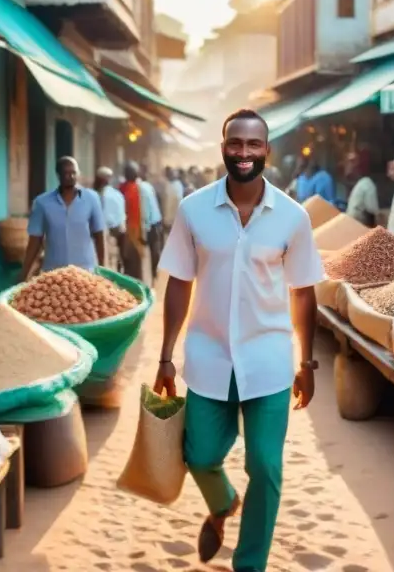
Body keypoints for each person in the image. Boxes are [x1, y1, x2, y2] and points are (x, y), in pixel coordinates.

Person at [155, 109, 324, 572]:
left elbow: (303, 291)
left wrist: (306, 364)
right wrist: (166, 357)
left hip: (268, 360)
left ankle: (249, 565)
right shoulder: (193, 210)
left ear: (267, 151)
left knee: (266, 469)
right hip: (208, 356)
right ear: (223, 147)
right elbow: (179, 283)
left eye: (254, 145)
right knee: (201, 454)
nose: (244, 153)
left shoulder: (292, 217)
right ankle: (224, 500)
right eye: (236, 144)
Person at [20, 157, 105, 281]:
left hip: (85, 273)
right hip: (53, 274)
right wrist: (24, 273)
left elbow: (99, 235)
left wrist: (103, 269)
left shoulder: (92, 199)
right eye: (65, 173)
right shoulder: (42, 203)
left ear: (78, 173)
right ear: (58, 175)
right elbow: (34, 240)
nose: (70, 176)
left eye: (73, 173)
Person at [95, 167, 127, 271]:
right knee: (118, 259)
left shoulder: (101, 195)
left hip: (108, 231)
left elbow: (101, 218)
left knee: (108, 261)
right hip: (121, 230)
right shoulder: (118, 194)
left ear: (100, 179)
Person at [119, 162, 146, 280]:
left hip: (133, 230)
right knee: (132, 264)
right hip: (130, 231)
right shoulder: (129, 188)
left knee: (133, 264)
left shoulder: (136, 188)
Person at [138, 164, 164, 282]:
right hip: (157, 221)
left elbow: (145, 209)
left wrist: (145, 228)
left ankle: (151, 278)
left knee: (148, 252)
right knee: (155, 251)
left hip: (151, 224)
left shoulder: (140, 188)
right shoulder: (148, 185)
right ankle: (154, 274)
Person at [344, 149, 378, 227]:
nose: (349, 165)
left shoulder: (367, 184)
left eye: (352, 161)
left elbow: (371, 214)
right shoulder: (356, 185)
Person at [162, 166, 184, 234]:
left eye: (171, 173)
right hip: (168, 219)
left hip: (176, 220)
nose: (169, 175)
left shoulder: (178, 185)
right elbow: (165, 202)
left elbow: (179, 201)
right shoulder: (167, 185)